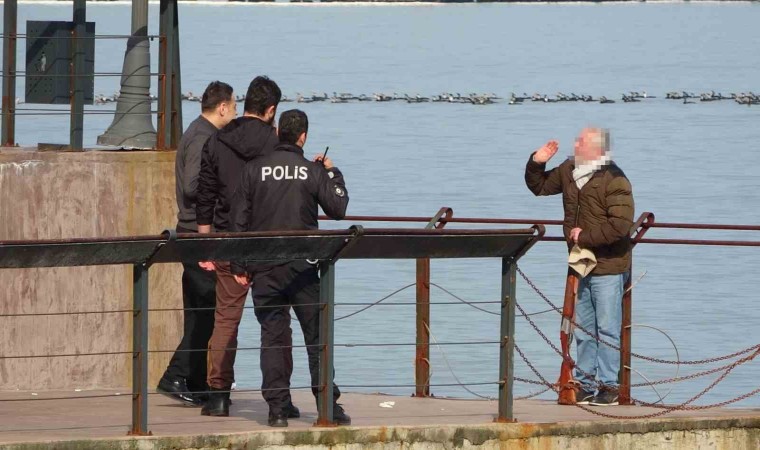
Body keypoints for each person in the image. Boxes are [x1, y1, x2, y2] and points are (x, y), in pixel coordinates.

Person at [230, 109, 351, 427]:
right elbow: (338, 208)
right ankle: (328, 406)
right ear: (303, 137)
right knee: (316, 337)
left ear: (278, 133)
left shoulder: (254, 169)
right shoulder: (311, 172)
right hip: (303, 268)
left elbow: (238, 220)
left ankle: (277, 409)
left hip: (265, 268)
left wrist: (239, 264)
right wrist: (332, 172)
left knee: (273, 337)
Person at [195, 76, 291, 417]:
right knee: (276, 321)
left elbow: (203, 194)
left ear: (245, 104)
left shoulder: (218, 139)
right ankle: (281, 400)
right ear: (271, 110)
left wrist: (205, 244)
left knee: (225, 321)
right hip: (266, 244)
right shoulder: (278, 143)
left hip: (224, 240)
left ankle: (218, 395)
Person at [524, 127, 634, 406]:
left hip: (609, 265)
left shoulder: (615, 179)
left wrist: (583, 236)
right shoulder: (569, 169)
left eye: (582, 142)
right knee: (583, 327)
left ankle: (609, 387)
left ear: (598, 149)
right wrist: (537, 162)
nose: (576, 145)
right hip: (580, 263)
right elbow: (539, 187)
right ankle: (585, 384)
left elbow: (621, 226)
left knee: (608, 327)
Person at [156, 81, 237, 406]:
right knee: (206, 312)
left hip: (192, 234)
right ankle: (174, 376)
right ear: (222, 107)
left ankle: (195, 381)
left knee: (200, 312)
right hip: (196, 235)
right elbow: (192, 185)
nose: (234, 111)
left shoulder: (196, 132)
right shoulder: (204, 137)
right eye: (233, 106)